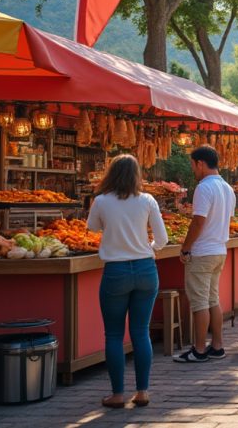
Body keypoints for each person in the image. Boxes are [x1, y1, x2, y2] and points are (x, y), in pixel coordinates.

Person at [87, 154, 167, 407]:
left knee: (113, 334)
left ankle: (118, 394)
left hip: (116, 270)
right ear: (137, 175)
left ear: (111, 173)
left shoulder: (101, 201)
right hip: (145, 269)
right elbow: (162, 239)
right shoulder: (147, 200)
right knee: (141, 332)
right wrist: (149, 248)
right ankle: (142, 391)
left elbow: (92, 228)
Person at [175, 145, 235, 363]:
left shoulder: (204, 187)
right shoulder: (227, 188)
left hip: (202, 252)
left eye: (193, 165)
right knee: (212, 300)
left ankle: (199, 349)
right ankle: (217, 346)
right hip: (219, 250)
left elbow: (198, 221)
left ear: (200, 163)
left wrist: (186, 247)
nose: (193, 170)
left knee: (199, 302)